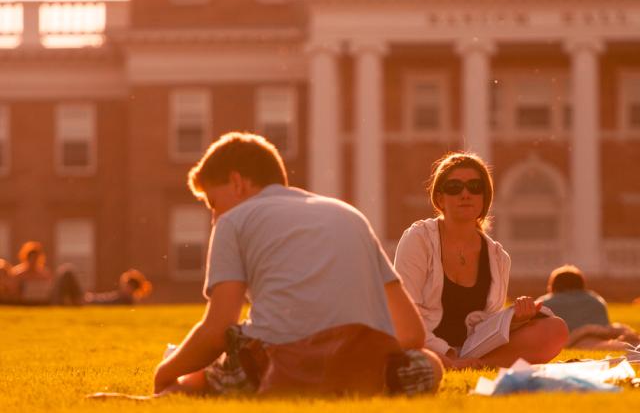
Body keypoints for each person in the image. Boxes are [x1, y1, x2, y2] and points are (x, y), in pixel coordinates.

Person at [152, 132, 443, 397]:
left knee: (213, 359)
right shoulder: (349, 215)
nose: (214, 218)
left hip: (277, 368)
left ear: (237, 182)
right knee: (430, 363)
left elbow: (217, 330)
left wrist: (164, 372)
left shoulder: (233, 222)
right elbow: (412, 333)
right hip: (362, 370)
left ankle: (185, 385)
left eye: (213, 204)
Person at [394, 152, 568, 369]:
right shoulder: (418, 239)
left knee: (555, 329)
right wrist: (446, 356)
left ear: (485, 198)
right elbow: (404, 314)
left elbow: (486, 325)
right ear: (440, 198)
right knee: (403, 337)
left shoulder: (498, 257)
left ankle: (476, 365)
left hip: (472, 349)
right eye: (454, 187)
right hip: (422, 344)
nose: (465, 194)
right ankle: (452, 364)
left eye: (475, 187)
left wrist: (516, 320)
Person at [537, 264, 640, 350]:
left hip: (578, 339)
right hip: (602, 336)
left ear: (553, 286)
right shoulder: (596, 300)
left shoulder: (544, 303)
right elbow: (605, 326)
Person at [52, 266, 153, 306]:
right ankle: (55, 301)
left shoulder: (125, 299)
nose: (122, 286)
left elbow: (106, 302)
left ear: (130, 287)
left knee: (68, 273)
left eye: (125, 284)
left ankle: (54, 302)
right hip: (88, 299)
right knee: (67, 273)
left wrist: (89, 300)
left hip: (87, 302)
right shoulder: (124, 298)